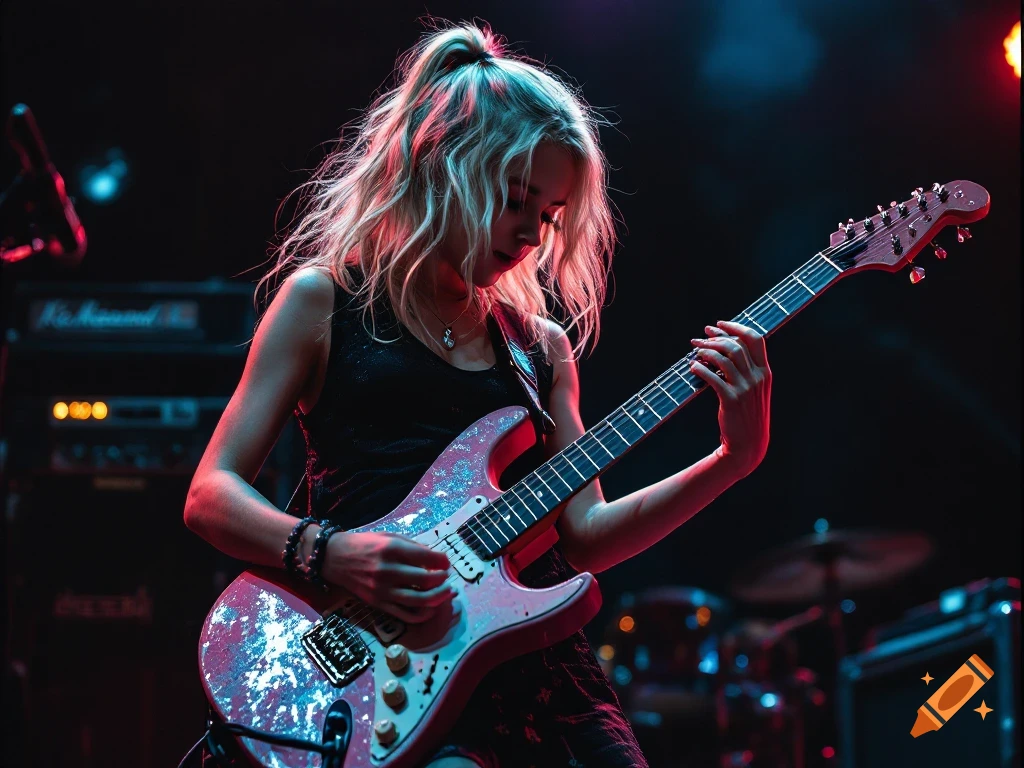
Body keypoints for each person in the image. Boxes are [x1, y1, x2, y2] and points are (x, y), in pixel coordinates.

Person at [184, 19, 772, 768]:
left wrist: (732, 458)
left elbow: (586, 533)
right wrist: (334, 555)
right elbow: (209, 494)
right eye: (517, 198)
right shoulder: (322, 303)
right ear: (446, 164)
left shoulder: (540, 349)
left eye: (550, 215)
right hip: (383, 666)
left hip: (541, 672)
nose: (531, 233)